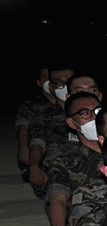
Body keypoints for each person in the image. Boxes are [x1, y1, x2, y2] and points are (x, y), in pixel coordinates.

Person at [44, 91, 102, 226]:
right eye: (85, 114)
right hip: (87, 223)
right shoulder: (66, 161)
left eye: (98, 111)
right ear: (71, 122)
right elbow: (57, 198)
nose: (93, 118)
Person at [25, 66, 74, 200]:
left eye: (68, 82)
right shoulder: (43, 116)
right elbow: (37, 144)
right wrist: (34, 166)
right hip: (57, 168)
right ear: (51, 87)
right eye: (59, 82)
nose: (64, 86)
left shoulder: (91, 114)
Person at [15, 66, 54, 187]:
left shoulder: (68, 103)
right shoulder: (30, 105)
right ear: (39, 83)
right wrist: (24, 149)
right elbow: (22, 127)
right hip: (39, 149)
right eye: (45, 77)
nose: (50, 81)